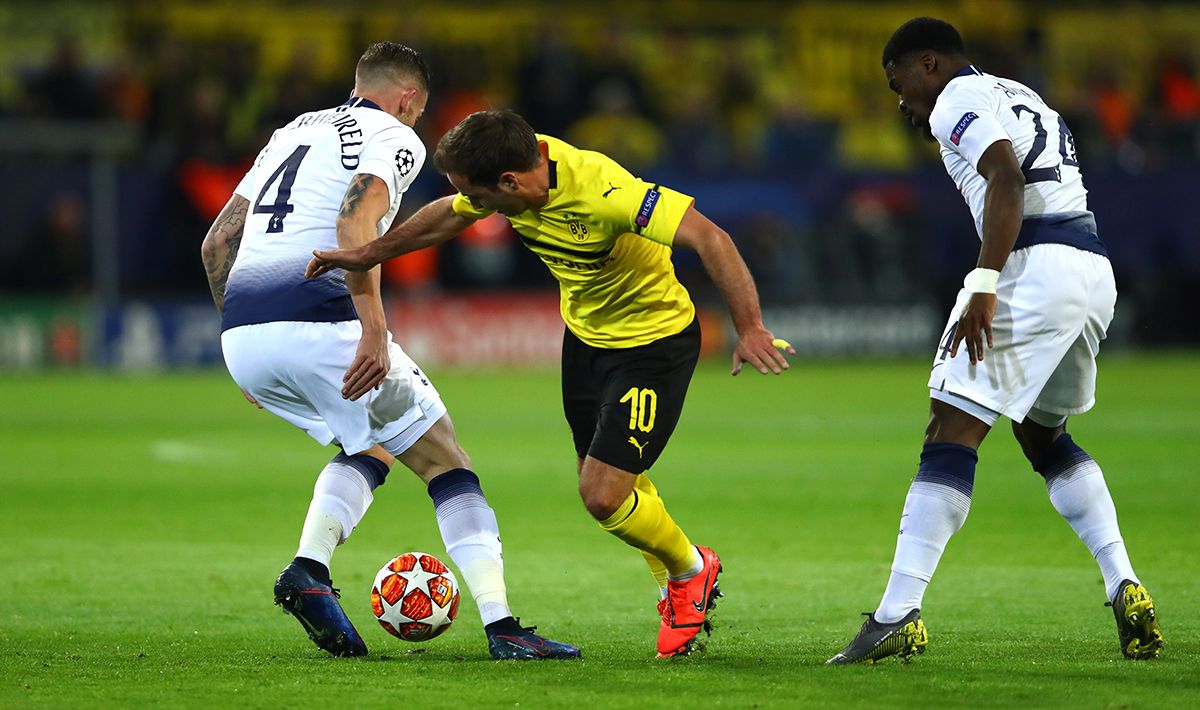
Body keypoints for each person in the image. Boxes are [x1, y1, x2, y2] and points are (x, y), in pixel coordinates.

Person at [306, 109, 793, 658]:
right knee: (612, 476)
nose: (478, 207)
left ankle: (691, 571)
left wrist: (749, 326)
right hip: (585, 342)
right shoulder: (506, 173)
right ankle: (674, 585)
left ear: (509, 184)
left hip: (650, 347)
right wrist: (370, 253)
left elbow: (711, 237)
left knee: (602, 495)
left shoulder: (603, 191)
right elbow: (449, 215)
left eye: (481, 196)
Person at [200, 42, 578, 661]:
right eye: (420, 110)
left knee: (367, 444)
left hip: (244, 334)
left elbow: (218, 244)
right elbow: (357, 227)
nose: (417, 123)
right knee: (446, 461)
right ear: (408, 98)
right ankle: (503, 626)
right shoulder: (389, 135)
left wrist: (241, 341)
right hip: (323, 322)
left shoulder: (291, 131)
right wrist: (373, 329)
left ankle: (310, 572)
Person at [827, 18, 1163, 665]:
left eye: (898, 84)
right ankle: (1125, 580)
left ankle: (897, 614)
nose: (902, 102)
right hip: (1090, 270)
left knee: (949, 433)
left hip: (1031, 268)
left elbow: (1005, 178)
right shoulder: (1022, 94)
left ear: (928, 63)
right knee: (1044, 435)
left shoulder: (955, 98)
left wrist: (985, 284)